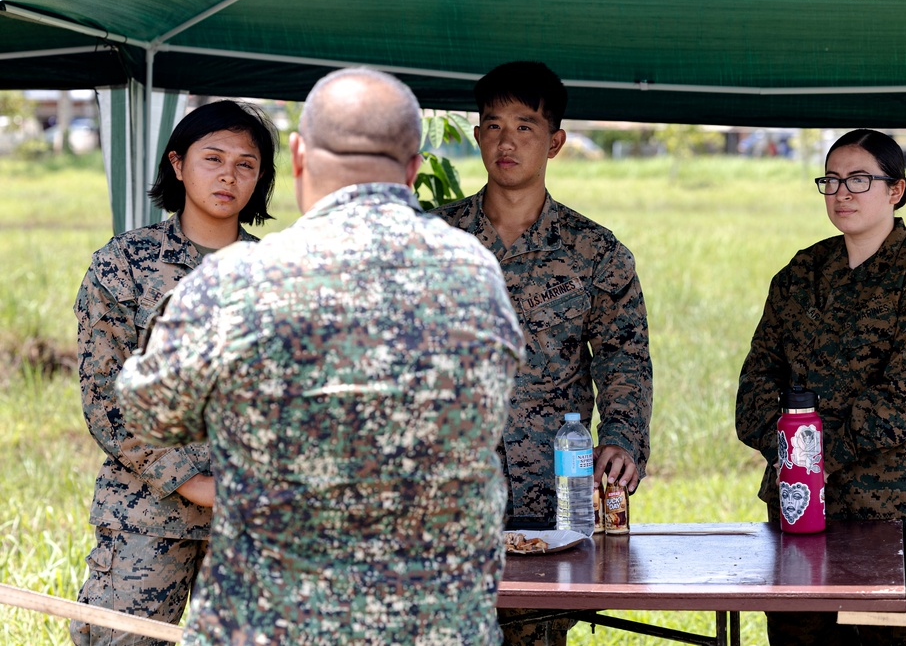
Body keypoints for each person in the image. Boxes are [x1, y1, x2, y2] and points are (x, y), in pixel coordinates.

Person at [114, 67, 524, 645]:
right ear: (411, 169)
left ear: (300, 156)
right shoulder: (477, 275)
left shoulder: (238, 279)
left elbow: (148, 413)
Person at [431, 60, 652, 645]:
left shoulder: (594, 252)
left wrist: (624, 439)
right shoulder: (431, 240)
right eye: (493, 125)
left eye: (525, 127)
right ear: (477, 136)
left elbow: (624, 357)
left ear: (555, 141)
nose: (507, 141)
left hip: (551, 491)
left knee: (536, 633)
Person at [735, 128, 906, 646]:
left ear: (896, 191)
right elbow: (757, 380)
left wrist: (807, 458)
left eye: (860, 179)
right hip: (800, 517)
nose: (842, 193)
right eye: (832, 180)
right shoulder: (801, 272)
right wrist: (786, 455)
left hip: (897, 516)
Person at [71, 99, 277, 646]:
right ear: (177, 164)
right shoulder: (125, 263)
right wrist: (191, 479)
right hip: (146, 511)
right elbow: (105, 395)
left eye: (246, 164)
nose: (229, 175)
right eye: (213, 157)